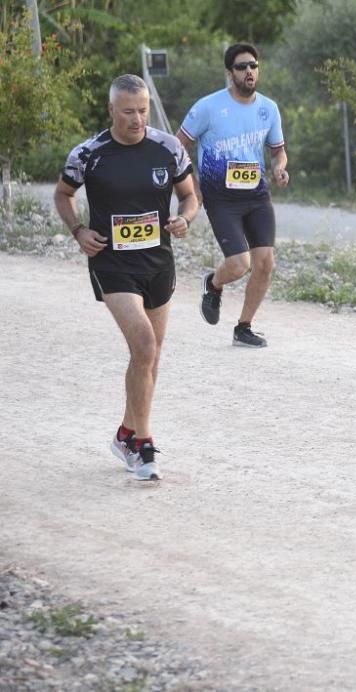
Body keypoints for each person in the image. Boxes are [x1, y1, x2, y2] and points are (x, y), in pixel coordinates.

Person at [54, 74, 198, 481]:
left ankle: (124, 433)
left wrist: (185, 218)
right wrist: (78, 231)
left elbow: (190, 194)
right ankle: (143, 445)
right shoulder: (89, 154)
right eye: (129, 112)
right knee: (144, 343)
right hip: (112, 263)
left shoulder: (168, 148)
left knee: (149, 356)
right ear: (111, 111)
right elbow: (62, 194)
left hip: (158, 262)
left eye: (143, 111)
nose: (137, 120)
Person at [176, 42, 289, 348]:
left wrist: (280, 167)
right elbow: (176, 148)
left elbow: (279, 151)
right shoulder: (208, 107)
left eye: (253, 65)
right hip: (221, 198)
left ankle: (244, 327)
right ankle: (213, 284)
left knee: (265, 264)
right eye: (242, 67)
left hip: (257, 196)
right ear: (230, 73)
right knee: (240, 264)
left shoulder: (269, 108)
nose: (249, 71)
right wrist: (190, 188)